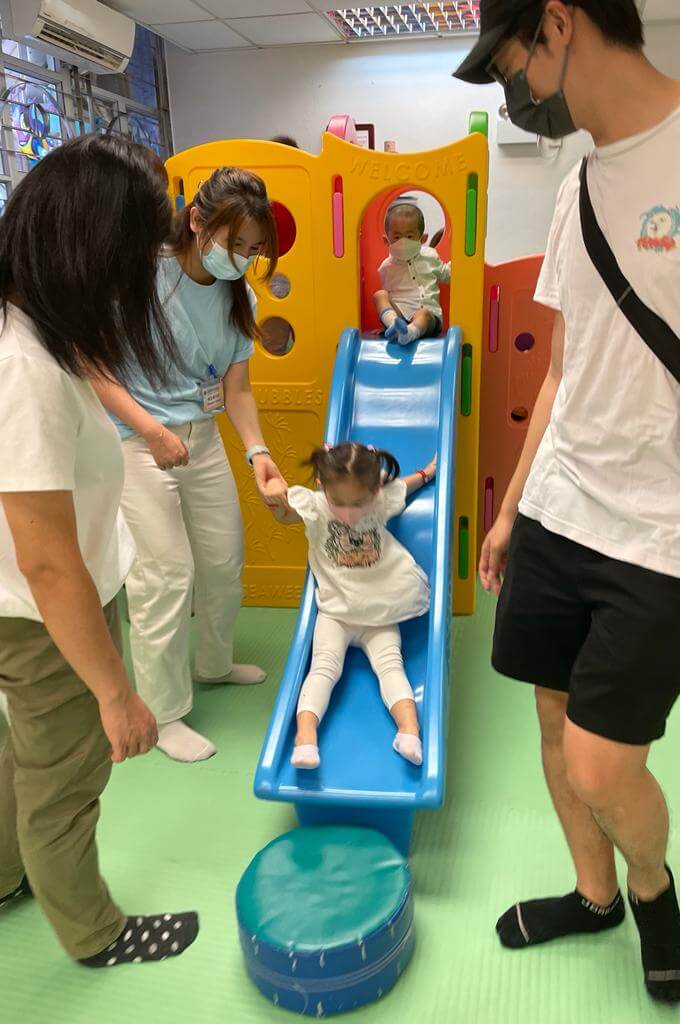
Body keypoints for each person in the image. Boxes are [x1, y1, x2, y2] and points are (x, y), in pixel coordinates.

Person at [455, 0, 680, 1006]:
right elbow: (563, 366)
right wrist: (512, 509)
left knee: (601, 763)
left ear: (558, 25)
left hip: (672, 529)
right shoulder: (578, 183)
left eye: (510, 66)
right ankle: (593, 896)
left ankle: (650, 885)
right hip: (561, 508)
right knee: (554, 720)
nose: (514, 95)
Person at [0, 134, 198, 966]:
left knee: (17, 757)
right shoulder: (26, 368)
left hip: (28, 602)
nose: (138, 280)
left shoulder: (34, 328)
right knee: (65, 777)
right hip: (40, 615)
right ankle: (95, 933)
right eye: (136, 258)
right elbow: (47, 562)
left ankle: (7, 876)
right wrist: (117, 694)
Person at [91, 169, 288, 764]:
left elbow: (238, 389)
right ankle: (164, 710)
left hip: (200, 440)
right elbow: (95, 369)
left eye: (254, 249)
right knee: (166, 575)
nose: (243, 258)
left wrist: (259, 453)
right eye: (236, 243)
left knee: (224, 561)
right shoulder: (139, 275)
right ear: (197, 221)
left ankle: (214, 663)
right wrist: (151, 430)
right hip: (136, 442)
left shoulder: (238, 295)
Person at [271, 443, 436, 769]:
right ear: (322, 485)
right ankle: (305, 739)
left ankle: (409, 733)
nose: (349, 514)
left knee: (391, 666)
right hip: (335, 613)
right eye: (339, 503)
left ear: (375, 489)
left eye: (359, 503)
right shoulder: (316, 507)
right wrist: (273, 497)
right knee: (323, 668)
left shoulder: (380, 500)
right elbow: (284, 513)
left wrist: (427, 473)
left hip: (380, 611)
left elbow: (405, 486)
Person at [374, 199, 451, 345]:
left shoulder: (430, 256)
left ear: (422, 239)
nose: (403, 242)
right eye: (397, 237)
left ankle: (409, 333)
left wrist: (463, 261)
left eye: (409, 236)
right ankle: (393, 325)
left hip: (427, 317)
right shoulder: (386, 267)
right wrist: (386, 321)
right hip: (400, 316)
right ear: (386, 240)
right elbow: (389, 299)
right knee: (380, 295)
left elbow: (447, 274)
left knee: (423, 314)